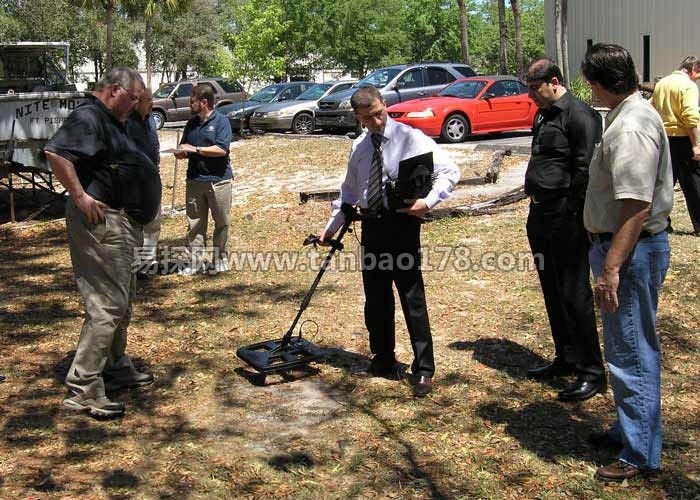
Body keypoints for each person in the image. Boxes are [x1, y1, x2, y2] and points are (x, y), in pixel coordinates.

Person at [319, 86, 459, 397]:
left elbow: (450, 171)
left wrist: (429, 201)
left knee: (412, 298)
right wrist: (330, 228)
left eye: (380, 113)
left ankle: (424, 369)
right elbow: (349, 194)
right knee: (376, 298)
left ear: (385, 105)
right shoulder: (359, 148)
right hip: (371, 228)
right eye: (368, 118)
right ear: (358, 117)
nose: (377, 121)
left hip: (402, 226)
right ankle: (383, 358)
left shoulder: (411, 138)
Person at [44, 67, 161, 417]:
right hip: (101, 223)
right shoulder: (88, 115)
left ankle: (114, 365)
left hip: (121, 223)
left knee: (122, 301)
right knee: (106, 306)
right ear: (114, 90)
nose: (135, 105)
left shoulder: (113, 118)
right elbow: (56, 153)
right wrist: (79, 196)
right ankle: (83, 389)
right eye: (132, 98)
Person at [581, 43, 673, 482]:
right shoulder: (627, 115)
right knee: (625, 345)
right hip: (626, 248)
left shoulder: (632, 127)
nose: (590, 91)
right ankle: (630, 427)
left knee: (631, 351)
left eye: (591, 84)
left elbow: (635, 206)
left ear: (599, 83)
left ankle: (639, 454)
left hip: (630, 252)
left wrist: (612, 267)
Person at [522, 58, 606, 401]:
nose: (532, 97)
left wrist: (574, 217)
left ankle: (592, 371)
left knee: (574, 295)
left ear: (554, 81)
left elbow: (585, 172)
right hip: (540, 215)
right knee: (552, 291)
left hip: (566, 217)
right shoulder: (544, 114)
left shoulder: (581, 115)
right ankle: (566, 357)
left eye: (535, 89)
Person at [174, 84, 233, 275]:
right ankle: (195, 262)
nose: (190, 104)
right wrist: (182, 152)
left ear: (204, 102)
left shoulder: (221, 121)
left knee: (221, 222)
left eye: (192, 101)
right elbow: (185, 146)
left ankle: (220, 259)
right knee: (195, 224)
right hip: (194, 181)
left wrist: (196, 150)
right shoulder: (191, 124)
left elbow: (222, 149)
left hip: (219, 181)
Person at [651, 56, 700, 236]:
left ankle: (662, 222)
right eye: (698, 75)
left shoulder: (661, 84)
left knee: (663, 183)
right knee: (694, 184)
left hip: (664, 138)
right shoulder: (688, 86)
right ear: (693, 70)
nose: (697, 79)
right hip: (682, 138)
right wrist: (696, 145)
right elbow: (690, 117)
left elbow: (652, 108)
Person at [126, 87, 161, 279]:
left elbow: (154, 147)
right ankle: (133, 265)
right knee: (134, 225)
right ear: (137, 101)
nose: (152, 104)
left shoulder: (150, 121)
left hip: (152, 179)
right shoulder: (126, 122)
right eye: (148, 100)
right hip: (134, 182)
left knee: (153, 223)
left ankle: (146, 264)